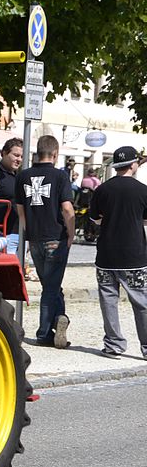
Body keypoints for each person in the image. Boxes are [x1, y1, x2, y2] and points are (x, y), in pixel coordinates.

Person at [15, 135, 75, 348]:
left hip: (35, 239)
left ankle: (60, 318)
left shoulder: (22, 176)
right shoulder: (60, 176)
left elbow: (20, 211)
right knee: (50, 288)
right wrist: (71, 233)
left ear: (37, 152)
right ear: (55, 154)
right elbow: (67, 208)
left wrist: (28, 236)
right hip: (55, 238)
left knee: (51, 285)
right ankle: (44, 333)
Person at [87, 146, 147, 359]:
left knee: (108, 300)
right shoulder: (143, 190)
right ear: (133, 165)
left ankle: (113, 345)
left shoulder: (102, 190)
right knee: (141, 302)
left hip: (106, 255)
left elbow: (95, 219)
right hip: (134, 255)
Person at [0, 137, 24, 254]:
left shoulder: (18, 176)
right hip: (0, 234)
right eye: (15, 155)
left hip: (16, 234)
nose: (19, 159)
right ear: (4, 153)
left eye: (21, 156)